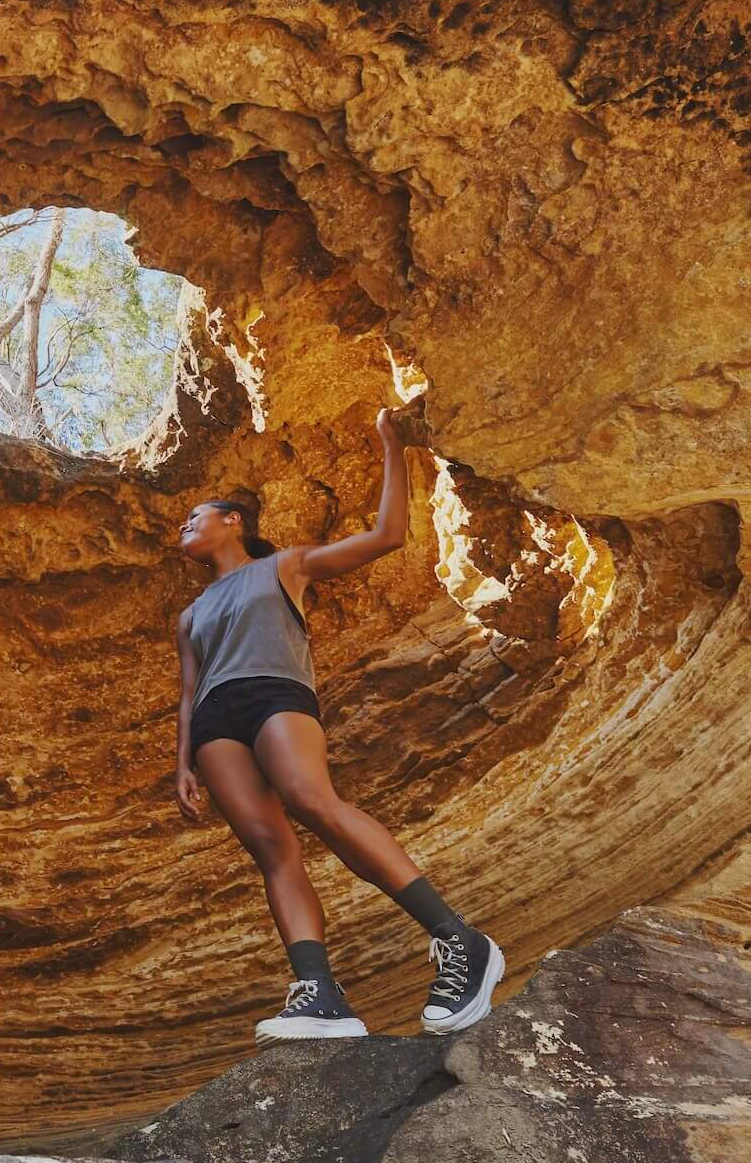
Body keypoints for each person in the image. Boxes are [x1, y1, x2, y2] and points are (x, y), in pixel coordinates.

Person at [174, 407, 504, 1043]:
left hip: (276, 694)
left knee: (311, 801)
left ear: (233, 521)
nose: (185, 527)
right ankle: (318, 993)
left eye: (198, 516)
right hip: (216, 722)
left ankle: (459, 939)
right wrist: (182, 763)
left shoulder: (285, 565)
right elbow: (188, 690)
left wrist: (391, 447)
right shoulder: (188, 615)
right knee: (271, 850)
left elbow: (387, 536)